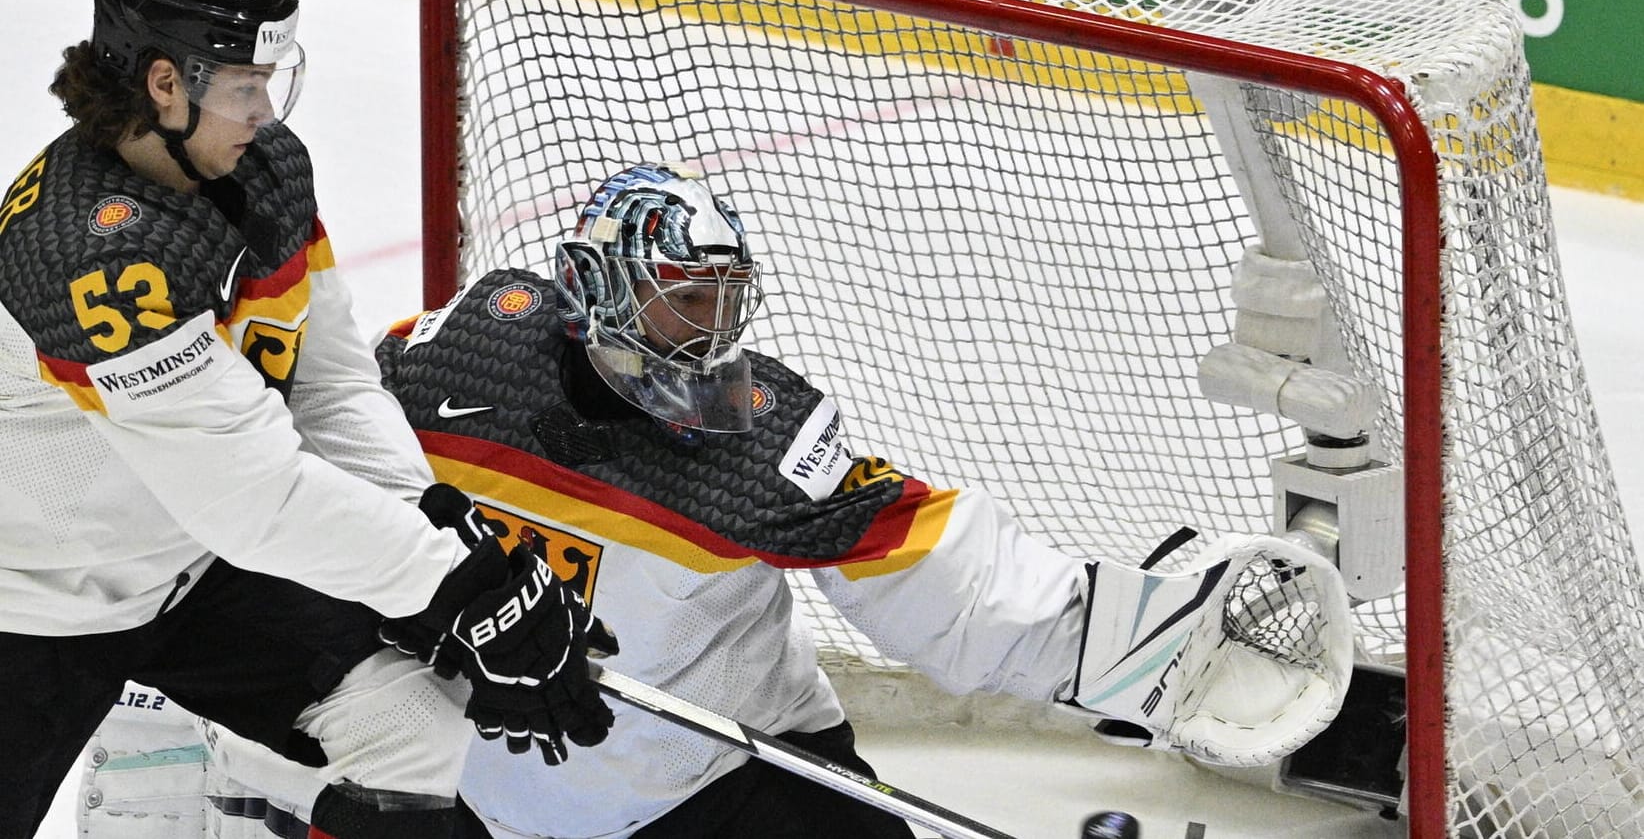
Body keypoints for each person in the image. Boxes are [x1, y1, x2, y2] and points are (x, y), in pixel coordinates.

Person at [367, 162, 1357, 838]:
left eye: (724, 299)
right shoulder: (463, 352)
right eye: (682, 298)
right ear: (588, 290)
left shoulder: (752, 437)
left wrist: (1142, 649)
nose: (710, 335)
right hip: (501, 790)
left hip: (732, 784)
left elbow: (943, 577)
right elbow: (328, 459)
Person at [0, 0, 611, 838]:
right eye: (245, 85)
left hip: (195, 569)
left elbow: (324, 381)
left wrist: (431, 520)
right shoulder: (93, 258)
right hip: (30, 605)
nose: (265, 110)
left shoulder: (263, 167)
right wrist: (456, 587)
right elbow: (252, 497)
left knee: (409, 726)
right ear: (165, 83)